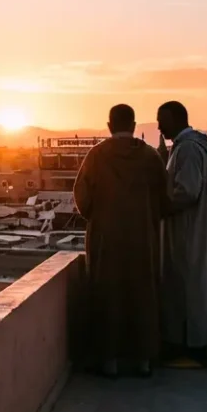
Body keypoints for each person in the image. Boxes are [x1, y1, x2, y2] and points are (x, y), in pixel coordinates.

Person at [73, 104, 168, 377]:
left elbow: (82, 197)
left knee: (107, 296)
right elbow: (164, 197)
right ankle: (144, 361)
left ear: (109, 125)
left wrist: (99, 216)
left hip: (106, 240)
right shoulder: (150, 157)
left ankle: (109, 362)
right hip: (143, 239)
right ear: (134, 126)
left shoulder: (97, 156)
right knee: (143, 296)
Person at [157, 101, 207, 368]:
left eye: (162, 121)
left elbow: (186, 191)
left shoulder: (187, 149)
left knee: (187, 291)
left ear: (176, 119)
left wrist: (159, 206)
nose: (159, 127)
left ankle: (193, 352)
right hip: (191, 230)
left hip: (187, 233)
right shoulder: (191, 146)